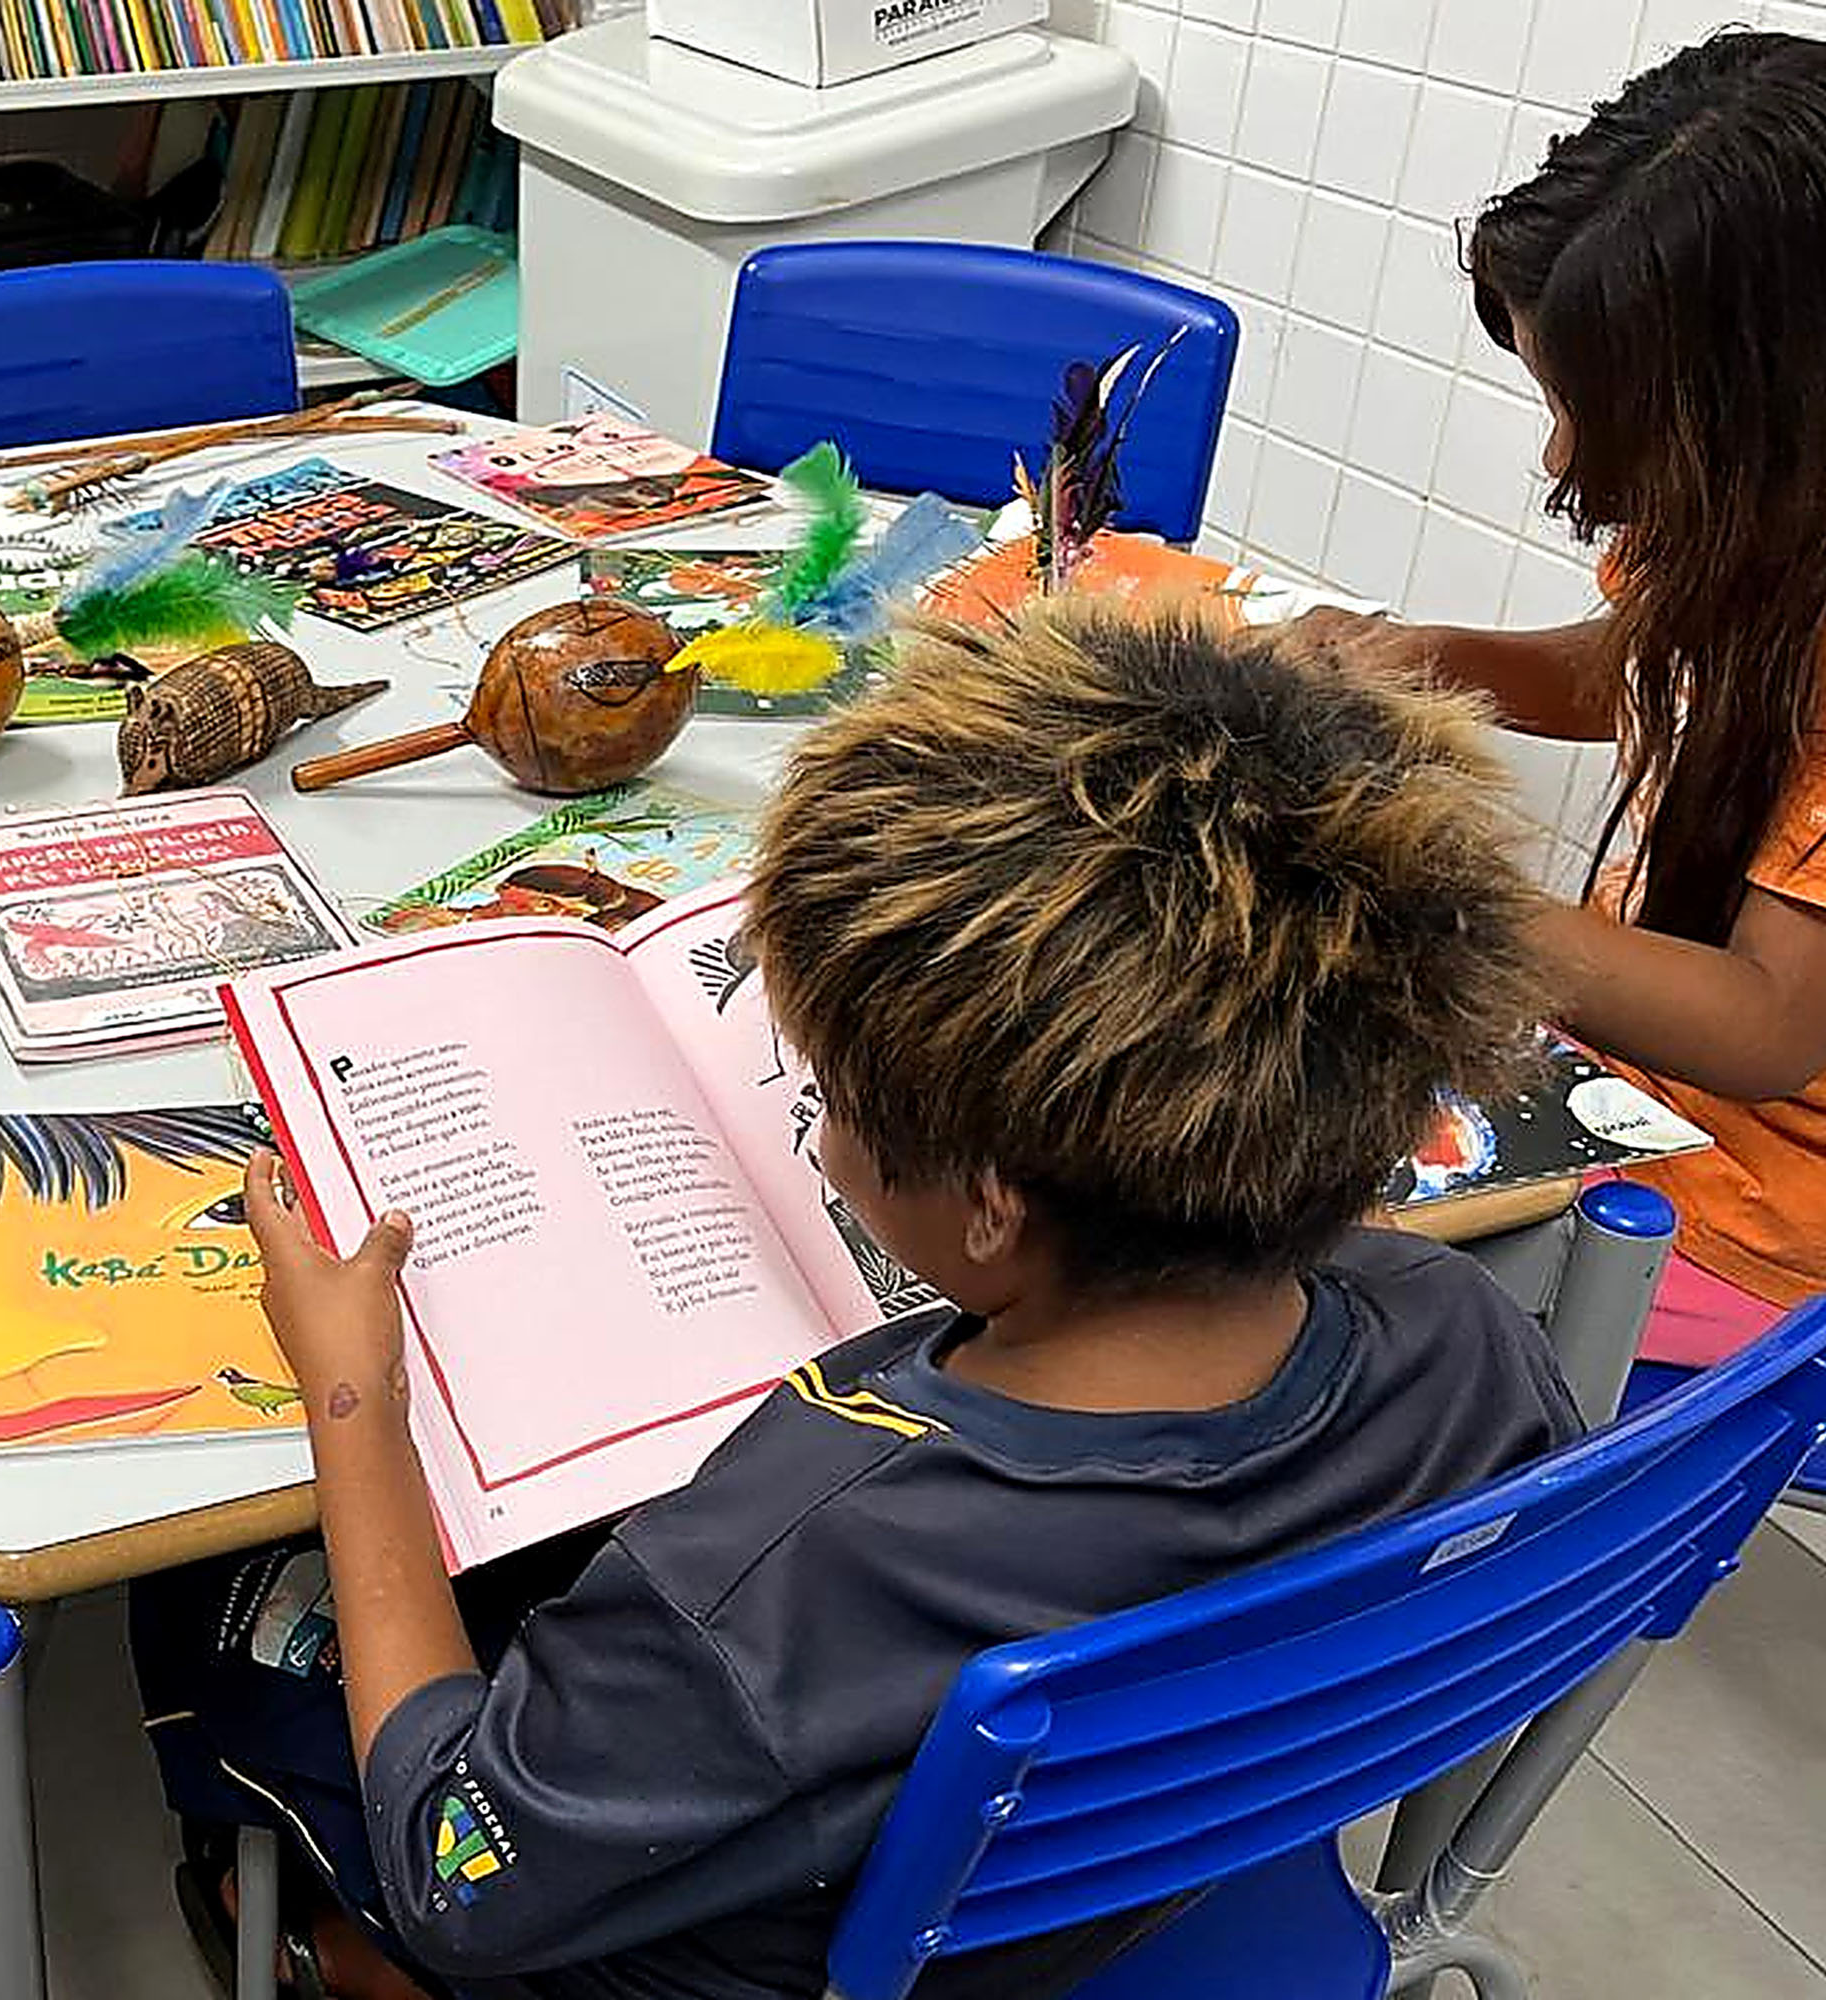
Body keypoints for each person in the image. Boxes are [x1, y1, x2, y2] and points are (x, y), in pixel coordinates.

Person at [132, 606, 1583, 2000]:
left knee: (199, 1603)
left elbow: (463, 1863)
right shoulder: (1454, 1329)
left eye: (823, 1102)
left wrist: (352, 1400)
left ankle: (341, 1951)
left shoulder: (792, 1561)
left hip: (732, 1951)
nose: (813, 1133)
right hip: (1141, 1875)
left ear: (993, 1203)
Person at [1289, 31, 1826, 1366]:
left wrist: (1434, 894)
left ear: (1759, 410)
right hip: (1645, 1089)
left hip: (1750, 1225)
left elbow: (1766, 1027)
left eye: (1588, 409)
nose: (1559, 455)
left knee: (1286, 1292)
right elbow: (1643, 660)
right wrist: (1425, 655)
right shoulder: (1757, 531)